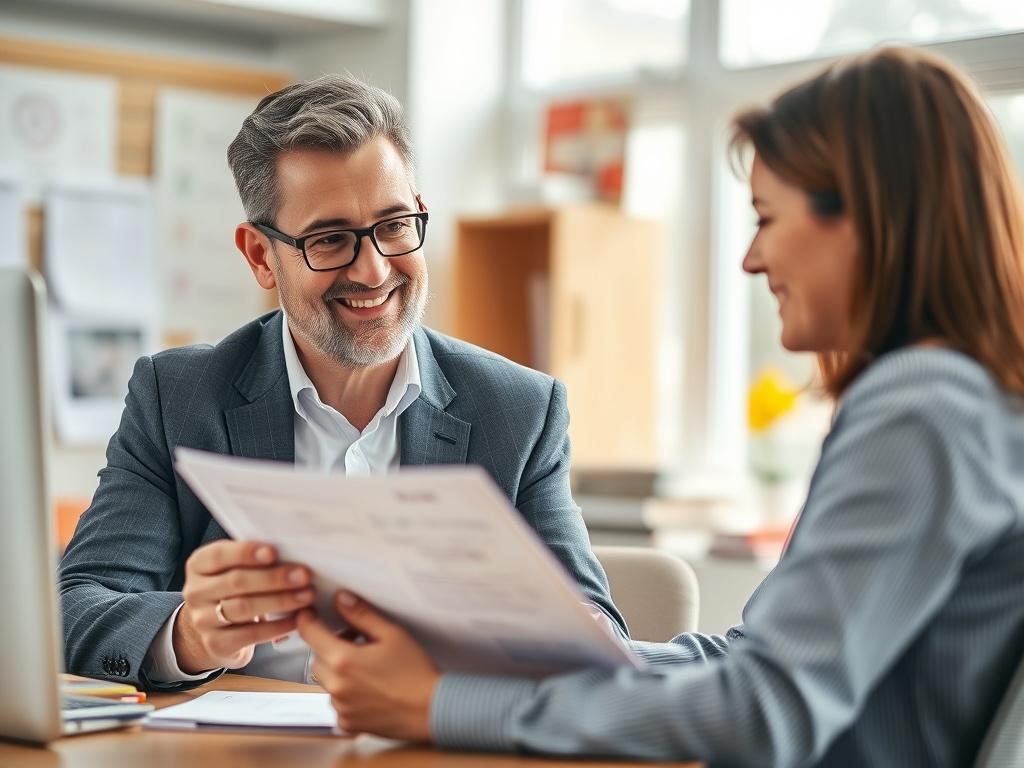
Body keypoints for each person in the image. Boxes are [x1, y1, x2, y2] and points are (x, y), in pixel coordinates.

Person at [296, 47, 1024, 766]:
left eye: (767, 217)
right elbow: (748, 665)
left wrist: (440, 705)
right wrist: (524, 664)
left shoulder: (919, 413)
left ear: (865, 220)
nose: (752, 259)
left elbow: (762, 713)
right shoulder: (960, 401)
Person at [58, 75, 626, 691]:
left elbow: (597, 630)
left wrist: (559, 632)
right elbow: (76, 608)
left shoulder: (518, 410)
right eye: (330, 240)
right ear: (258, 256)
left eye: (394, 225)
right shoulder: (178, 397)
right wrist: (191, 633)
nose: (374, 268)